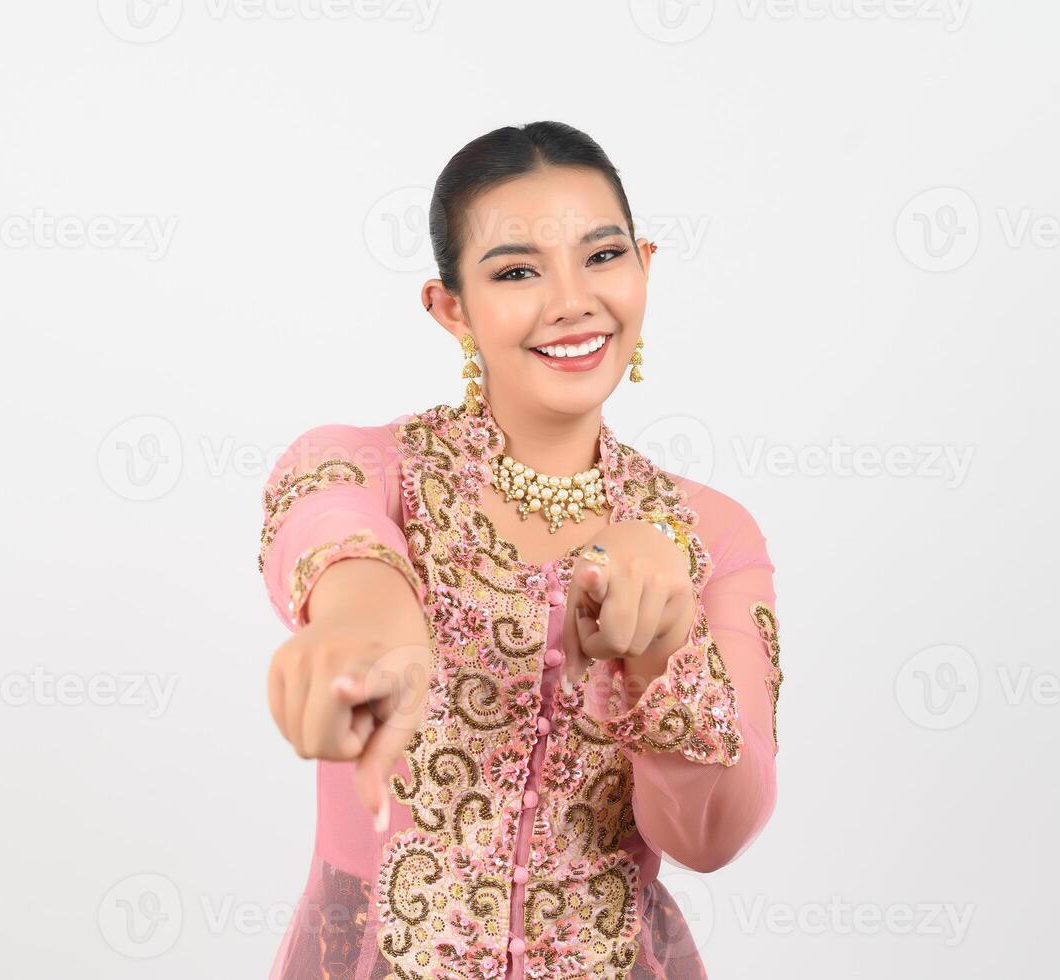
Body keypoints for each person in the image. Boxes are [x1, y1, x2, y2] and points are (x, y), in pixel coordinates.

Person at [259, 120, 783, 979]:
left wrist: (662, 651)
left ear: (644, 266)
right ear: (451, 308)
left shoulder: (712, 535)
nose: (572, 299)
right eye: (515, 272)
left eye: (603, 256)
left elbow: (714, 837)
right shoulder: (363, 465)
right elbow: (333, 533)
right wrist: (366, 628)